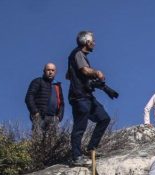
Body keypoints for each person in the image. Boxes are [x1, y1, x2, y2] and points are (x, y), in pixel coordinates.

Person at [67, 30, 113, 166]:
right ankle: (76, 156)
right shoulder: (78, 54)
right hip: (79, 97)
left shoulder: (80, 55)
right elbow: (85, 71)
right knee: (80, 126)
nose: (94, 43)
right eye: (92, 41)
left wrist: (101, 86)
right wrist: (96, 72)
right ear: (87, 42)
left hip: (87, 96)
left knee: (104, 118)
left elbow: (72, 75)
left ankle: (91, 148)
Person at [24, 63, 64, 137]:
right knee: (37, 140)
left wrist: (59, 117)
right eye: (48, 70)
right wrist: (35, 112)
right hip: (40, 117)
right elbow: (29, 97)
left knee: (53, 143)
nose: (50, 72)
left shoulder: (57, 86)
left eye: (52, 70)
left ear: (55, 72)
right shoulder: (37, 81)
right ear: (44, 71)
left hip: (54, 118)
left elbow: (61, 103)